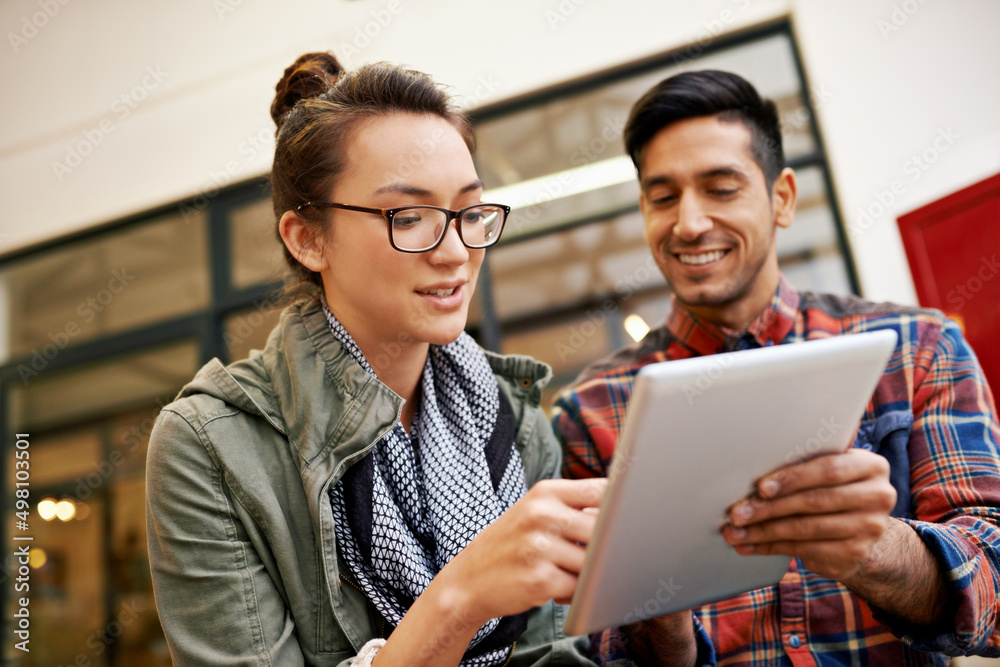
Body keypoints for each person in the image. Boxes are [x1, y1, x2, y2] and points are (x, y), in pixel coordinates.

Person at [145, 51, 607, 667]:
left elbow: (557, 653)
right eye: (409, 217)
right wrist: (460, 597)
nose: (454, 253)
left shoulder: (511, 416)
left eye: (469, 213)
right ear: (308, 239)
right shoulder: (211, 448)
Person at [552, 69, 1000, 666]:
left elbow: (993, 579)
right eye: (663, 197)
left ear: (782, 198)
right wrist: (655, 606)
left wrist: (874, 548)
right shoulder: (590, 410)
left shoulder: (917, 349)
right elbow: (586, 647)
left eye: (721, 188)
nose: (688, 223)